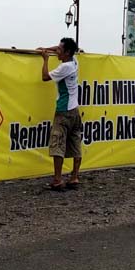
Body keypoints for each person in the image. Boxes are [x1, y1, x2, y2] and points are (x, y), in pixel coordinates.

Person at [38, 37, 82, 191]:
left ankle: (57, 179)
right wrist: (47, 48)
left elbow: (45, 77)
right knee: (75, 142)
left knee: (58, 143)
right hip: (75, 110)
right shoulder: (75, 61)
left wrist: (45, 59)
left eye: (59, 50)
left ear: (67, 52)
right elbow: (59, 48)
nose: (57, 52)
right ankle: (74, 176)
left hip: (63, 111)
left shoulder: (64, 68)